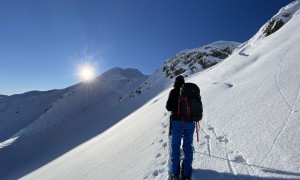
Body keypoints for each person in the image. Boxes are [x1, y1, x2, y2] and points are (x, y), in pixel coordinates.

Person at [166, 75, 195, 180]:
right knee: (188, 146)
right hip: (189, 123)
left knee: (175, 146)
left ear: (175, 82)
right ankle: (186, 174)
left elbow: (168, 107)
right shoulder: (190, 91)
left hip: (177, 122)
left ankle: (175, 172)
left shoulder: (173, 92)